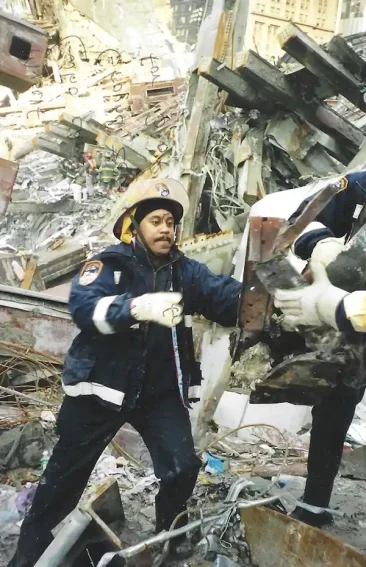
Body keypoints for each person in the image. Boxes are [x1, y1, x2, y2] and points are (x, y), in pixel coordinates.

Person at [8, 178, 241, 567]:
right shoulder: (109, 265)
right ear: (135, 226)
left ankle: (169, 534)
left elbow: (226, 298)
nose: (166, 228)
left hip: (157, 396)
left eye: (170, 221)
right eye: (156, 221)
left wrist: (267, 294)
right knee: (61, 486)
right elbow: (84, 308)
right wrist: (135, 308)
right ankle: (26, 558)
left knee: (182, 467)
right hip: (100, 391)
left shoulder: (187, 272)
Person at [273, 170, 366, 528]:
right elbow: (301, 218)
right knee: (334, 406)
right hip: (353, 325)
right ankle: (315, 505)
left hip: (350, 311)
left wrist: (337, 307)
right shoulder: (361, 185)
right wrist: (323, 244)